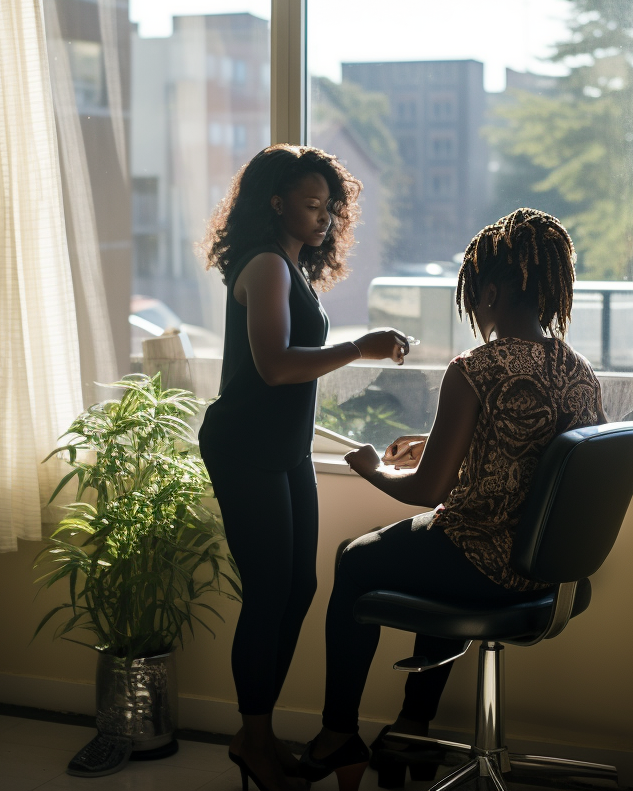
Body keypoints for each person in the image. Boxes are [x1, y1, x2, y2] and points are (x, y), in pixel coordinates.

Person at [298, 208, 607, 791]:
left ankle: (338, 733)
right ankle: (411, 728)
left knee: (356, 558)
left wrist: (370, 470)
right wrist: (442, 444)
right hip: (550, 574)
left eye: (477, 298)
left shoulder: (477, 367)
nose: (476, 313)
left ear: (488, 291)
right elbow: (531, 457)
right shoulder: (577, 371)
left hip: (487, 567)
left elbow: (427, 492)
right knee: (437, 546)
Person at [198, 144, 410, 791]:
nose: (323, 218)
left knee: (300, 590)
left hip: (285, 450)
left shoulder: (292, 267)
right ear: (275, 201)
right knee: (269, 593)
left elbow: (290, 377)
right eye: (312, 204)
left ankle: (254, 735)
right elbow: (275, 367)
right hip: (245, 448)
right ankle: (254, 740)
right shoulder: (264, 266)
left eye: (329, 207)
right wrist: (360, 347)